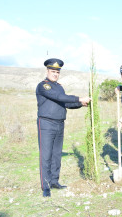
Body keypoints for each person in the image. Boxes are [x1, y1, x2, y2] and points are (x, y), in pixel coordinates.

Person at [36, 58, 91, 197]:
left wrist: (81, 104)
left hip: (60, 123)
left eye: (57, 72)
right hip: (46, 124)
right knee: (46, 155)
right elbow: (59, 97)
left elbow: (64, 102)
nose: (55, 74)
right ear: (47, 71)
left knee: (56, 155)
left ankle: (54, 181)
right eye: (53, 71)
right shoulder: (44, 86)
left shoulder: (59, 86)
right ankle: (46, 186)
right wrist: (79, 98)